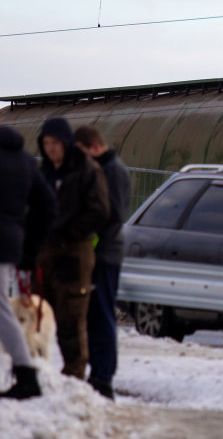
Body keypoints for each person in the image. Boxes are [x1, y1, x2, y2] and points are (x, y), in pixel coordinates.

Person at [36, 117, 110, 380]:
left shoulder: (87, 171)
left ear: (66, 143)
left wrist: (69, 231)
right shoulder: (44, 173)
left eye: (55, 142)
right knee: (39, 316)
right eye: (46, 143)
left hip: (74, 253)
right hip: (45, 254)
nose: (51, 148)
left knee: (70, 319)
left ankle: (73, 378)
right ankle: (38, 375)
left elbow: (100, 210)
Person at [0, 126, 57, 399]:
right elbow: (48, 205)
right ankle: (25, 374)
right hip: (10, 243)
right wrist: (28, 242)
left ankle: (26, 375)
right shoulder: (25, 161)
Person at [75, 125, 130, 400]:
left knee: (103, 314)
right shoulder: (104, 169)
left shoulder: (113, 171)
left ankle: (103, 376)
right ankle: (100, 373)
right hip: (101, 252)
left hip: (105, 255)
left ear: (93, 147)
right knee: (96, 315)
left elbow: (113, 216)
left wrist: (93, 246)